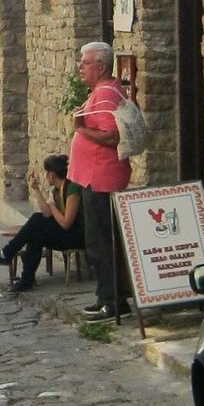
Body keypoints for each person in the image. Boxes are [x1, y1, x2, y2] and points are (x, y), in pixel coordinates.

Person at [68, 41, 131, 320]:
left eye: (85, 62)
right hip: (96, 177)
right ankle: (108, 296)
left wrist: (80, 129)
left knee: (101, 243)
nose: (80, 67)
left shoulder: (105, 94)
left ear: (102, 67)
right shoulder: (105, 91)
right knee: (102, 241)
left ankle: (113, 301)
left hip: (101, 178)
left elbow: (111, 136)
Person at [0, 154, 83, 293]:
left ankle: (7, 253)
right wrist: (36, 189)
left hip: (76, 236)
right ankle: (26, 280)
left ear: (52, 175)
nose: (45, 176)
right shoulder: (56, 191)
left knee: (37, 220)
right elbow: (47, 214)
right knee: (36, 234)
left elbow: (66, 223)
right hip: (64, 233)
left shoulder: (72, 189)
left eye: (46, 173)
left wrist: (52, 206)